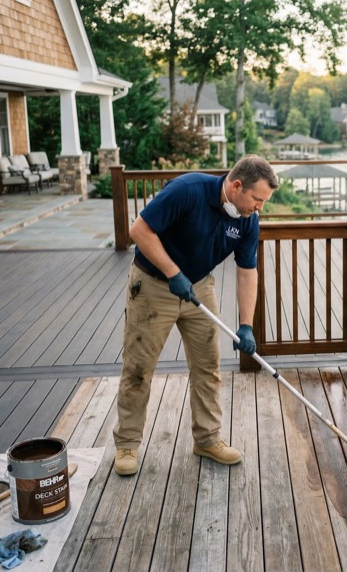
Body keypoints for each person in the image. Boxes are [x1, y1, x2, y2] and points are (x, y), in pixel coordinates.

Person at [113, 155, 278, 475]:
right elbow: (139, 230)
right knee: (138, 368)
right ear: (237, 186)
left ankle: (207, 438)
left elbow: (247, 272)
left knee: (208, 366)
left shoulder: (247, 220)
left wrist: (246, 326)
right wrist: (173, 273)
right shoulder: (188, 190)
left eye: (264, 202)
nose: (260, 208)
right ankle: (127, 444)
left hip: (199, 288)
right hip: (152, 285)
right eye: (257, 200)